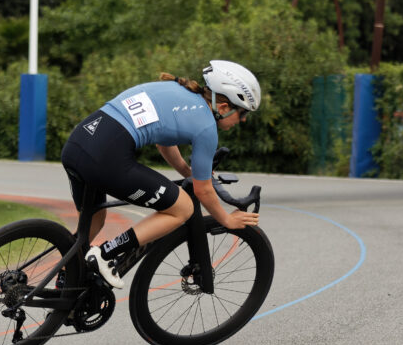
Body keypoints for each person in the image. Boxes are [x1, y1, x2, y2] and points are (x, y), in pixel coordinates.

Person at [60, 60, 261, 289]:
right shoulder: (206, 127)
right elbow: (203, 190)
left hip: (77, 146)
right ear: (224, 107)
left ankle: (65, 282)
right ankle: (106, 254)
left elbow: (164, 141)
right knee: (183, 208)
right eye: (242, 113)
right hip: (105, 158)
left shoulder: (177, 91)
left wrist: (186, 170)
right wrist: (227, 219)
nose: (243, 120)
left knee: (93, 222)